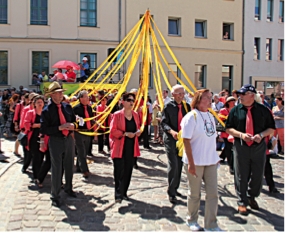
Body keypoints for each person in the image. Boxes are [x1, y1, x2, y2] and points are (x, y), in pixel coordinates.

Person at [225, 84, 275, 215]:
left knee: (258, 174)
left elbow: (271, 128)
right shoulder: (235, 110)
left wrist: (261, 135)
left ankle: (252, 195)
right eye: (239, 94)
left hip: (258, 146)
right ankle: (242, 201)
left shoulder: (263, 110)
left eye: (243, 94)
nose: (240, 96)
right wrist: (241, 135)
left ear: (252, 95)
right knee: (241, 174)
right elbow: (228, 128)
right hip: (241, 146)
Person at [181, 89, 222, 232]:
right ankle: (192, 220)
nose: (210, 100)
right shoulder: (191, 117)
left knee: (213, 193)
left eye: (211, 97)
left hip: (210, 161)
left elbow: (211, 139)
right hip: (195, 162)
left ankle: (211, 224)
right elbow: (186, 141)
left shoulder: (210, 116)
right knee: (194, 193)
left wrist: (215, 157)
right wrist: (191, 164)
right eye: (206, 98)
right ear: (198, 99)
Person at [41, 81, 77, 207]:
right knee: (57, 168)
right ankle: (55, 194)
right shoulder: (47, 110)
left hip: (68, 139)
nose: (61, 95)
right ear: (52, 95)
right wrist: (59, 128)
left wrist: (74, 126)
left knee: (69, 165)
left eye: (61, 92)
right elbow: (44, 129)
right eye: (58, 93)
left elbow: (74, 121)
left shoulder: (67, 107)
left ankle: (68, 187)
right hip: (56, 140)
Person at [161, 84, 191, 204]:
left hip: (183, 140)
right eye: (179, 93)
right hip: (170, 138)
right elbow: (164, 123)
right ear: (173, 95)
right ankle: (171, 192)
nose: (181, 96)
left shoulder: (186, 106)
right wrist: (172, 131)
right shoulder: (168, 107)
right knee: (173, 164)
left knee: (179, 164)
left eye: (183, 93)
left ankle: (175, 187)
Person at [109, 92, 141, 203]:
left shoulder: (136, 115)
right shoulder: (117, 115)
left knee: (128, 170)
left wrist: (138, 132)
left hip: (131, 146)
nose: (131, 102)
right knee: (119, 170)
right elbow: (113, 131)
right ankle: (118, 193)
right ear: (123, 102)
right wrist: (125, 134)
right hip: (119, 146)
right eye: (129, 100)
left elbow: (138, 127)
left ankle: (124, 192)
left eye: (133, 100)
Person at [73, 90, 95, 181]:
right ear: (81, 98)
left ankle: (79, 166)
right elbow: (72, 119)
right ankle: (84, 170)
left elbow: (91, 119)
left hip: (88, 131)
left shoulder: (90, 108)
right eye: (85, 97)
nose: (87, 98)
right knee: (81, 151)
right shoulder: (76, 108)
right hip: (79, 132)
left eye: (88, 97)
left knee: (84, 151)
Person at [24, 95, 45, 181]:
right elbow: (26, 124)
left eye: (41, 102)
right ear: (34, 104)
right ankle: (36, 175)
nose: (40, 104)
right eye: (38, 102)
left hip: (44, 137)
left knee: (41, 156)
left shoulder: (45, 112)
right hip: (33, 136)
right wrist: (36, 125)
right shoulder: (30, 113)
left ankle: (40, 172)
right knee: (36, 156)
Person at [218, 96, 236, 174]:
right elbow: (220, 119)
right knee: (229, 148)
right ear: (228, 102)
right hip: (226, 132)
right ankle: (231, 166)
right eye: (232, 101)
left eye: (234, 101)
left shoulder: (236, 109)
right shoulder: (223, 110)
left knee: (229, 147)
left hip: (234, 132)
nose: (233, 103)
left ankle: (221, 157)